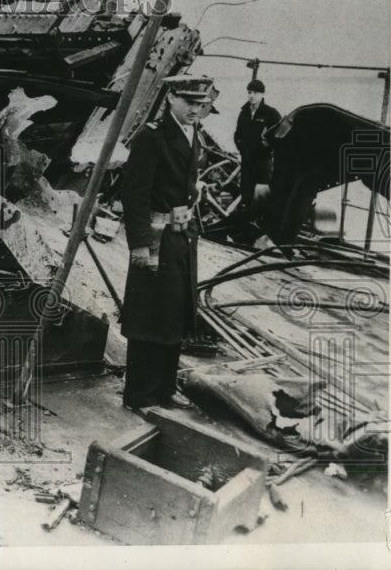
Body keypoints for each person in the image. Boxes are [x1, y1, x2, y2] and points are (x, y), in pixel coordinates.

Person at [120, 75, 215, 412]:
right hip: (157, 238)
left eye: (201, 102)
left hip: (182, 238)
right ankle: (138, 395)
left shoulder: (195, 134)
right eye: (189, 101)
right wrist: (139, 245)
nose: (196, 108)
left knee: (174, 314)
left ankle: (163, 388)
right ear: (171, 97)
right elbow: (135, 193)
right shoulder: (152, 137)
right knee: (148, 316)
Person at [233, 79, 281, 215]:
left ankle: (262, 219)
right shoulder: (244, 112)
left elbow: (280, 134)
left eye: (255, 92)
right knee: (246, 191)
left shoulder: (271, 113)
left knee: (262, 192)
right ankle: (245, 218)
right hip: (247, 160)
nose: (252, 95)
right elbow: (237, 134)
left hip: (263, 161)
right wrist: (241, 147)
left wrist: (267, 145)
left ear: (262, 94)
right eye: (249, 92)